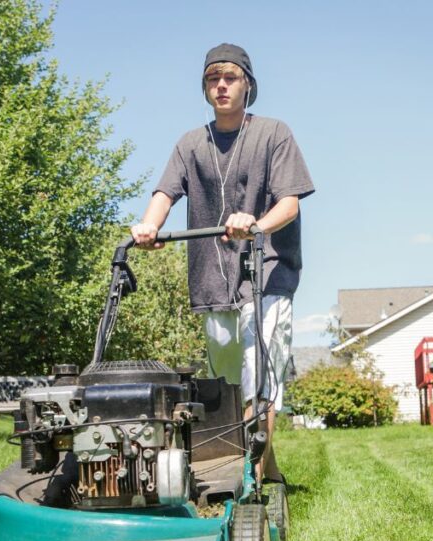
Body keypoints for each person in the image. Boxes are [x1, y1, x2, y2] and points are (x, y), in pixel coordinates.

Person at [131, 43, 314, 484]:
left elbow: (289, 204)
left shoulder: (274, 133)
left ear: (248, 84)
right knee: (228, 384)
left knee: (259, 376)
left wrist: (257, 224)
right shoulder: (191, 143)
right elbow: (166, 193)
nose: (221, 85)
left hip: (268, 272)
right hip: (213, 280)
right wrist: (149, 226)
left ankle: (251, 479)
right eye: (213, 78)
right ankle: (265, 470)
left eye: (230, 77)